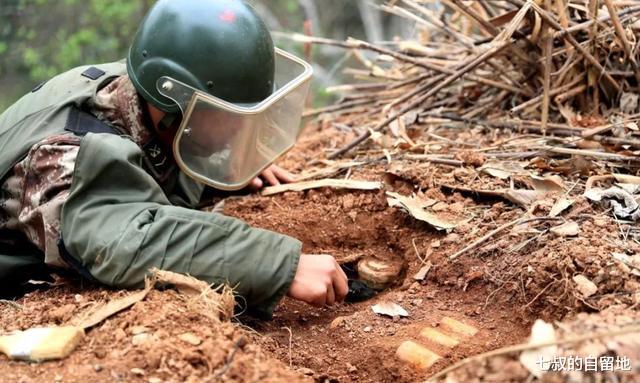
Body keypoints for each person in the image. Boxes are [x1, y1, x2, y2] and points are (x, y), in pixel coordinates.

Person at [0, 0, 348, 318]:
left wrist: (228, 159)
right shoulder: (62, 158)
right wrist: (278, 264)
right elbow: (124, 242)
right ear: (175, 104)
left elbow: (161, 149)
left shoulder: (145, 91)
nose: (236, 131)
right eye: (230, 118)